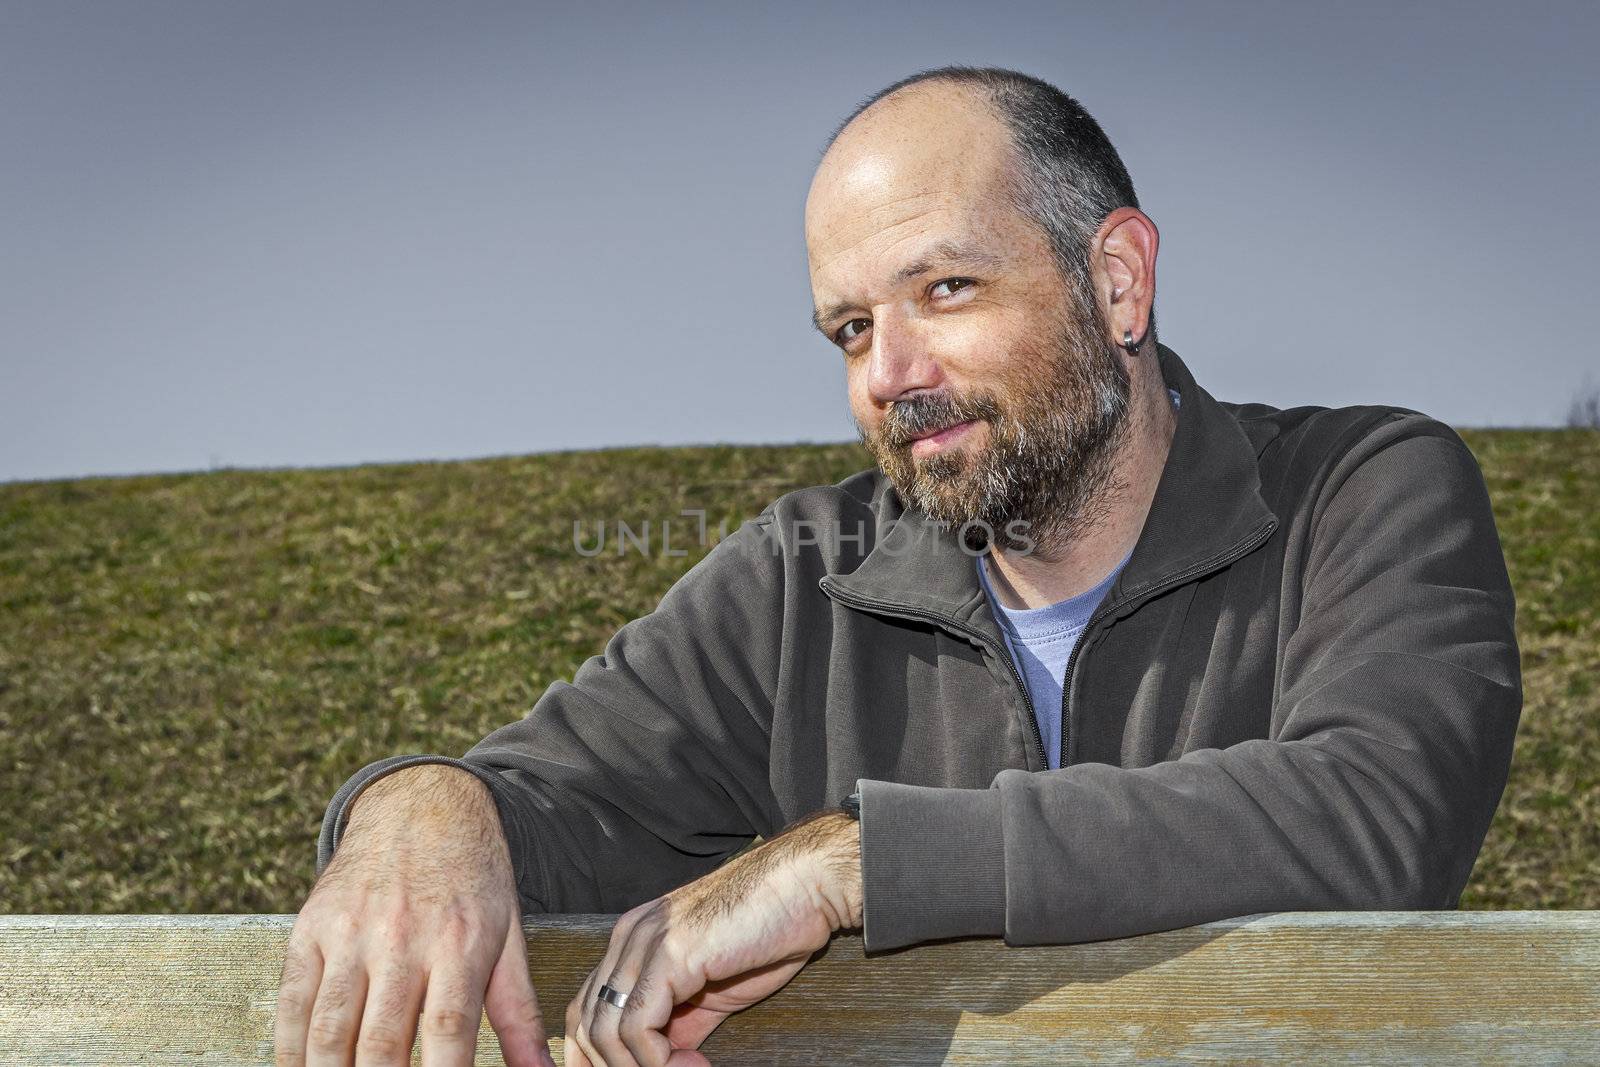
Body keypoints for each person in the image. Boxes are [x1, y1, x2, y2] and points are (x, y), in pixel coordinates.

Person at [273, 66, 1522, 1067]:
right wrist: (424, 814)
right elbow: (558, 797)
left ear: (1118, 279)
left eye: (946, 287)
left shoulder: (1361, 490)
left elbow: (1375, 809)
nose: (889, 375)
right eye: (852, 327)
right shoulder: (800, 572)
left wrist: (850, 862)